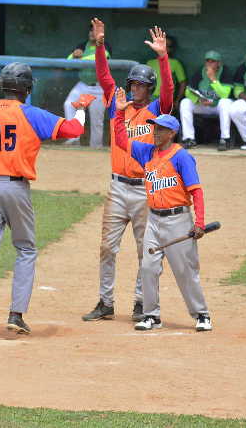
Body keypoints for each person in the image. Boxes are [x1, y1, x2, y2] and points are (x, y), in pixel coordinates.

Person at [0, 63, 95, 342]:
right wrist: (81, 107)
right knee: (25, 249)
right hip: (15, 189)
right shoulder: (31, 114)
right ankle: (16, 315)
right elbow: (73, 130)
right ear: (28, 89)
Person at [81, 19, 174, 325]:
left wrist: (163, 57)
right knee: (107, 247)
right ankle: (106, 302)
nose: (135, 89)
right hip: (118, 189)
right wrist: (99, 45)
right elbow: (104, 76)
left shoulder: (158, 110)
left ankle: (139, 302)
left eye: (141, 85)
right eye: (133, 84)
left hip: (145, 188)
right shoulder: (116, 105)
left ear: (150, 89)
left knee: (144, 250)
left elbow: (170, 89)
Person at [112, 95, 211, 332]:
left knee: (185, 271)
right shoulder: (146, 152)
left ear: (171, 133)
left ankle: (202, 314)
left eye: (160, 129)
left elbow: (196, 192)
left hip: (178, 220)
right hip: (154, 220)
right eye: (154, 128)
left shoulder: (182, 157)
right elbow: (120, 140)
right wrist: (118, 114)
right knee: (148, 267)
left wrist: (199, 222)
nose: (154, 132)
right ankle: (151, 315)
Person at [63, 21, 111, 147]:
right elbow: (67, 65)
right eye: (91, 30)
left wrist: (80, 59)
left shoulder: (105, 45)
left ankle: (95, 148)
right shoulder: (82, 46)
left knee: (97, 121)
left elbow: (99, 59)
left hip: (99, 87)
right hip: (83, 85)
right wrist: (73, 55)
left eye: (95, 30)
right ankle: (74, 138)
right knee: (69, 104)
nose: (92, 33)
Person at [179, 50, 235, 151]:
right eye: (207, 61)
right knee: (185, 103)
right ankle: (189, 139)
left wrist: (213, 79)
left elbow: (225, 94)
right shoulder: (200, 72)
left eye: (212, 61)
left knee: (225, 103)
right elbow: (188, 92)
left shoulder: (225, 72)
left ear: (219, 63)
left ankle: (225, 139)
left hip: (218, 106)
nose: (209, 63)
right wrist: (198, 100)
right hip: (203, 105)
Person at [147, 35, 186, 114]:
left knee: (162, 123)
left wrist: (177, 100)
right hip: (150, 98)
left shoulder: (175, 63)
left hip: (166, 99)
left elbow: (183, 83)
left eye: (168, 46)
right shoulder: (150, 63)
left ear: (171, 49)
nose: (164, 48)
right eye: (163, 45)